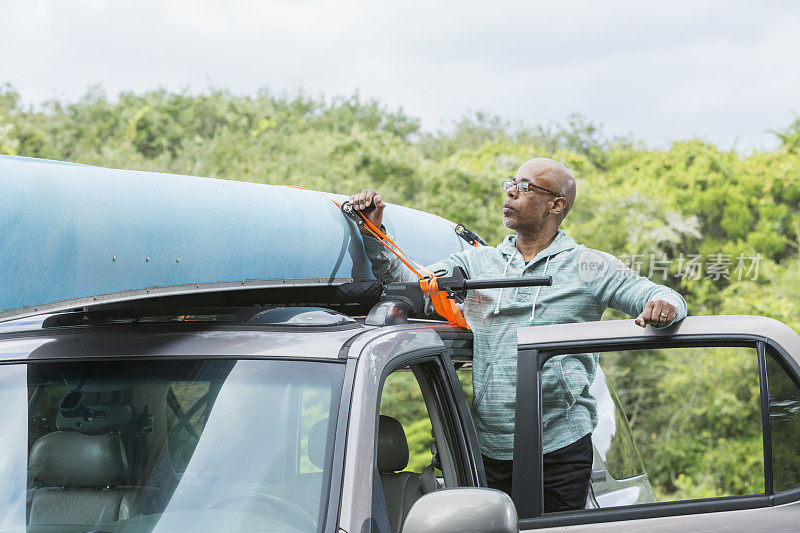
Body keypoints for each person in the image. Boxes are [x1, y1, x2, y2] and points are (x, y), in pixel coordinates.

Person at [349, 157, 687, 512]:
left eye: (525, 187)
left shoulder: (588, 266)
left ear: (556, 205)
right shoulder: (476, 263)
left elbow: (659, 295)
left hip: (561, 446)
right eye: (511, 183)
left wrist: (664, 306)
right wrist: (374, 232)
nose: (511, 191)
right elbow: (409, 283)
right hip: (485, 449)